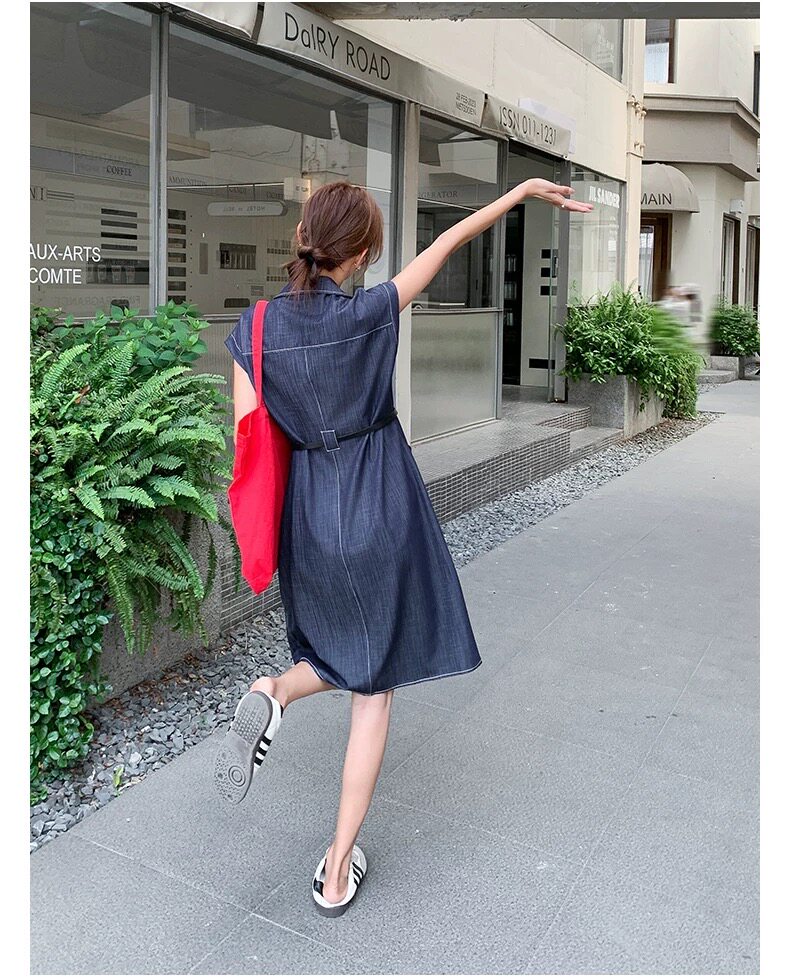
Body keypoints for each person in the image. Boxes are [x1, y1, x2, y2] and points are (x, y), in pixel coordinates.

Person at [216, 178, 594, 916]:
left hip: (309, 517)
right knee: (374, 686)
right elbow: (448, 243)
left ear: (303, 237)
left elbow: (248, 435)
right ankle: (335, 871)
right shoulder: (372, 311)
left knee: (334, 651)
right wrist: (519, 192)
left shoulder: (255, 327)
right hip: (380, 502)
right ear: (360, 254)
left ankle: (276, 692)